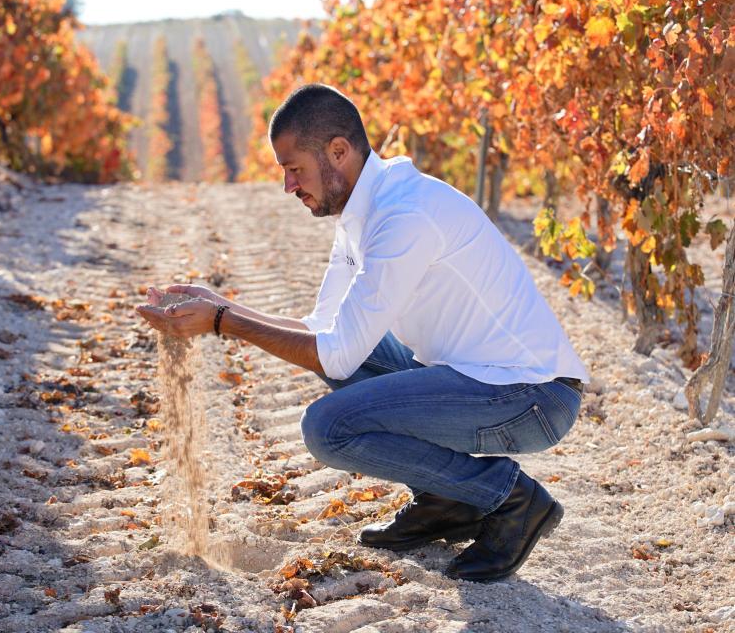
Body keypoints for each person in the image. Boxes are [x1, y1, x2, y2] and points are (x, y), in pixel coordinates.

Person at [136, 84, 589, 582]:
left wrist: (223, 324)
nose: (288, 186)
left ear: (338, 151)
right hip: (476, 378)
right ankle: (447, 501)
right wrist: (224, 308)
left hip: (531, 398)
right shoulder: (362, 210)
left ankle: (512, 499)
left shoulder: (402, 216)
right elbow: (325, 332)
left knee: (328, 429)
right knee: (357, 351)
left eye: (294, 169)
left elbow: (333, 357)